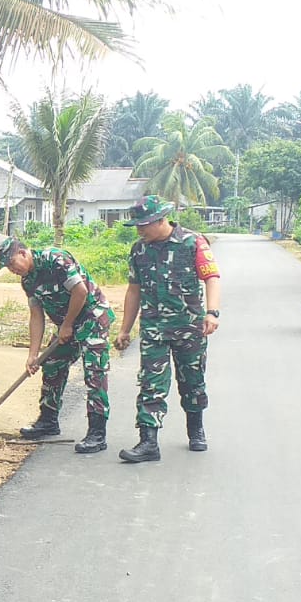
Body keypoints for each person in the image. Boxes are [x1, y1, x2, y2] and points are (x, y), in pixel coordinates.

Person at [112, 195, 222, 463]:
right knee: (151, 383)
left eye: (143, 225)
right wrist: (125, 329)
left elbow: (211, 277)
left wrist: (212, 312)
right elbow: (133, 291)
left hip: (190, 327)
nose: (139, 231)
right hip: (154, 329)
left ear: (160, 221)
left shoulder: (192, 242)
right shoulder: (139, 250)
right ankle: (148, 442)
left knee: (192, 382)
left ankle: (196, 430)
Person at [0, 236, 115, 452]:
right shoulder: (28, 281)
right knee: (51, 364)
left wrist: (67, 325)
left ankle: (97, 433)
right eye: (7, 267)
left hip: (92, 316)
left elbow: (80, 292)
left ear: (23, 253)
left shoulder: (56, 259)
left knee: (94, 370)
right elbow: (36, 316)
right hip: (65, 324)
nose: (12, 270)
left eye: (12, 263)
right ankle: (48, 420)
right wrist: (33, 355)